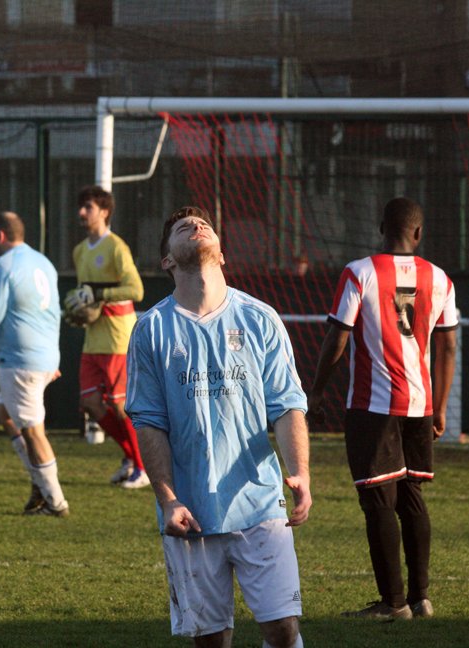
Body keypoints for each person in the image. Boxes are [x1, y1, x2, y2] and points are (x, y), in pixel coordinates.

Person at [125, 206, 311, 648]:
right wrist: (168, 499)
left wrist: (300, 473)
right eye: (181, 227)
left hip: (260, 503)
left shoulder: (260, 318)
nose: (196, 225)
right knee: (210, 640)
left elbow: (287, 406)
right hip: (189, 513)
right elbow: (149, 423)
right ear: (167, 260)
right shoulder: (151, 329)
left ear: (222, 254)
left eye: (204, 224)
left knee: (282, 629)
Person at [308, 196, 458, 620]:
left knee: (378, 501)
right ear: (418, 233)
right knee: (410, 495)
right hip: (420, 404)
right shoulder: (440, 278)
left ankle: (393, 603)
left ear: (381, 229)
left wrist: (316, 391)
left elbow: (338, 337)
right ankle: (421, 598)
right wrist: (441, 407)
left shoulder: (360, 272)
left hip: (372, 406)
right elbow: (448, 345)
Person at [0, 211, 69, 517]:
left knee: (33, 431)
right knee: (4, 412)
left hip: (21, 361)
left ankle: (55, 502)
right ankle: (39, 483)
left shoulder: (2, 265)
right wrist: (51, 356)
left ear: (0, 235)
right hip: (44, 357)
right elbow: (53, 311)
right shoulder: (43, 262)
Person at [65, 185, 148, 488]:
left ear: (104, 211)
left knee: (120, 406)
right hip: (93, 338)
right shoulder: (79, 251)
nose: (81, 212)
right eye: (81, 206)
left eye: (88, 207)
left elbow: (136, 290)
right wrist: (79, 310)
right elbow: (86, 296)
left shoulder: (116, 247)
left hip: (117, 338)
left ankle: (143, 468)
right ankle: (131, 457)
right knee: (90, 402)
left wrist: (98, 294)